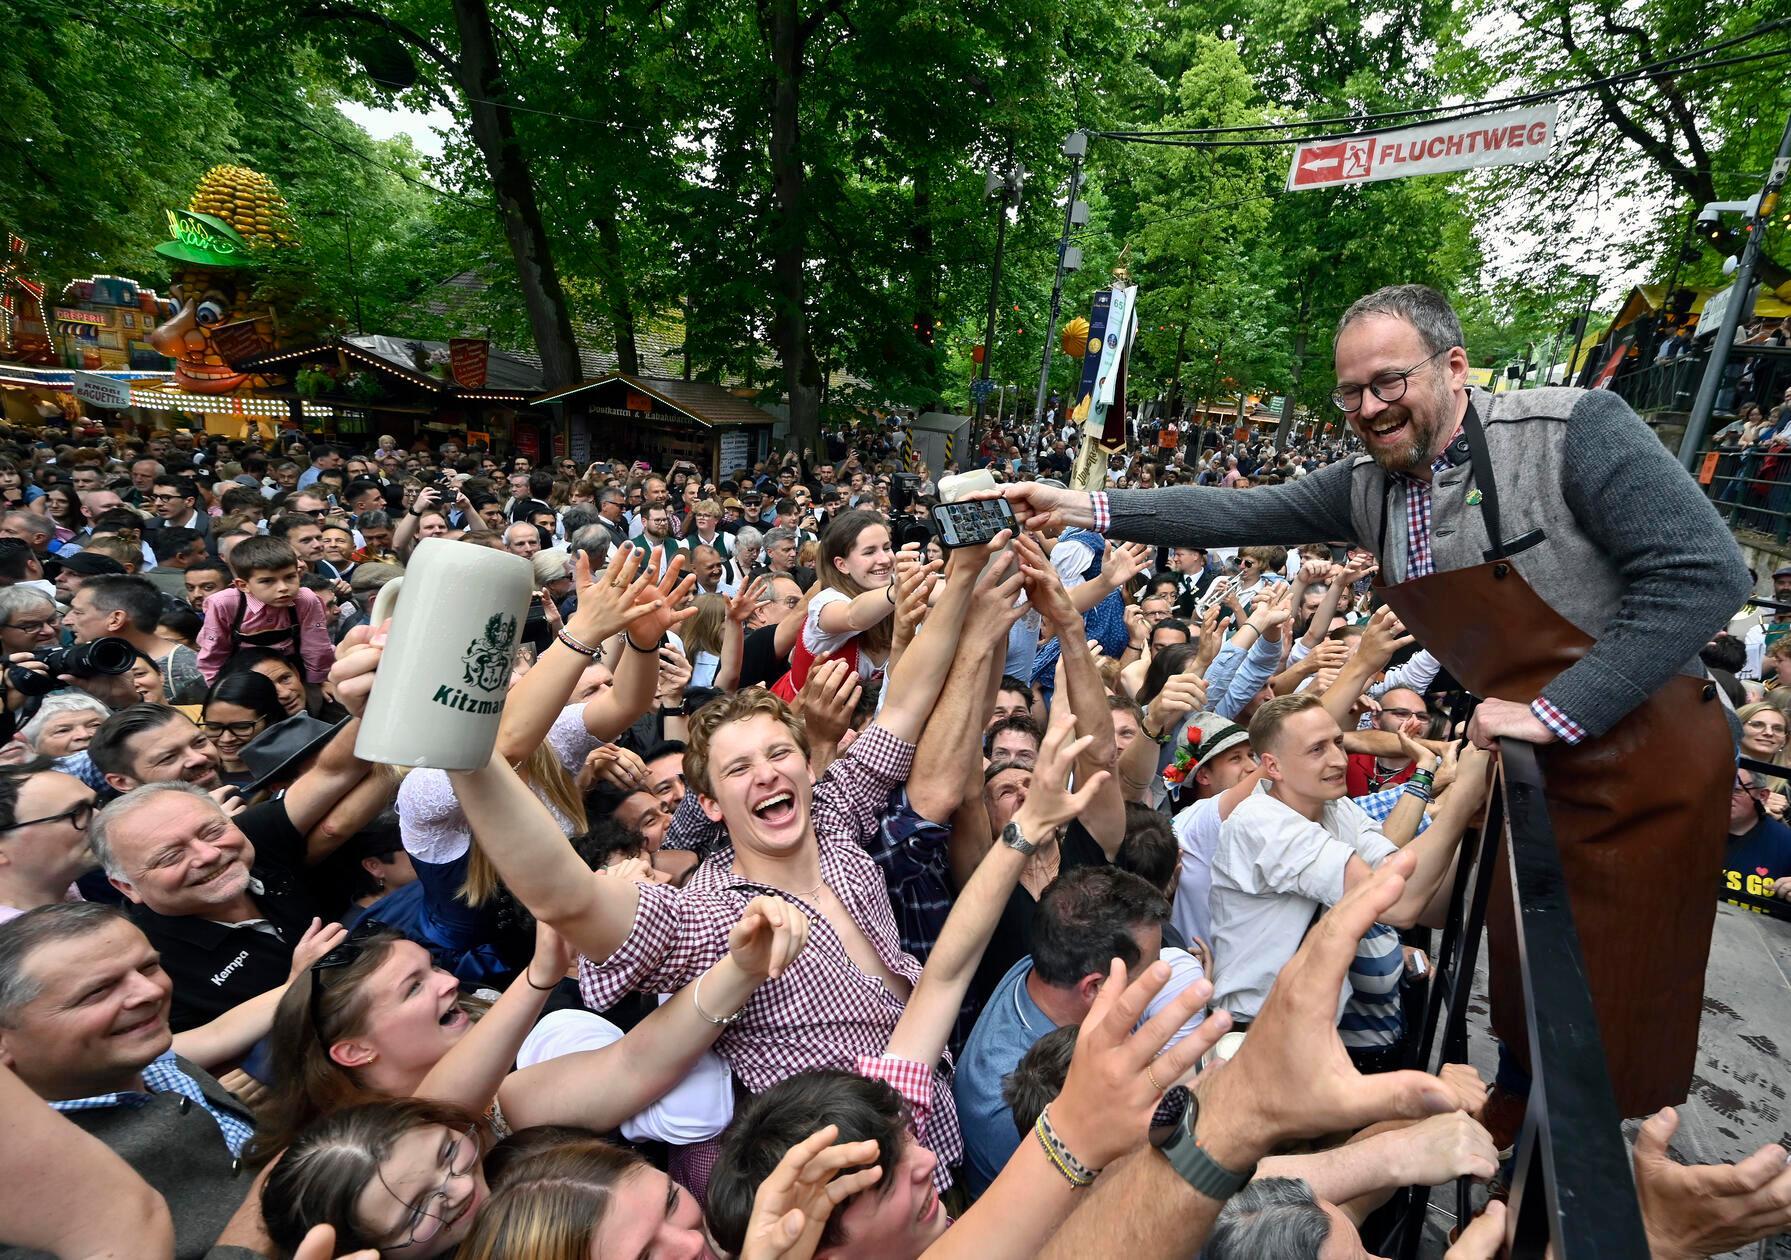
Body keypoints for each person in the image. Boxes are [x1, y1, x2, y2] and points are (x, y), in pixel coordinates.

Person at [991, 282, 1751, 1117]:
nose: (1369, 408)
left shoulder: (1573, 429)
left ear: (1454, 367)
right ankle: (1517, 1096)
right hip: (1536, 754)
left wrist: (1557, 709)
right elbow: (1232, 512)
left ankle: (1604, 1153)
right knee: (1524, 949)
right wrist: (1078, 503)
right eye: (1350, 392)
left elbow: (1707, 572)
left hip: (1646, 748)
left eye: (1388, 381)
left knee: (1622, 983)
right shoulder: (1364, 485)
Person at [771, 510, 896, 702]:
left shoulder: (893, 587)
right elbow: (852, 617)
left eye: (887, 548)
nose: (885, 559)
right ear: (842, 564)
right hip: (798, 716)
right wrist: (901, 590)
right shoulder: (827, 600)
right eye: (869, 552)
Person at [195, 536, 334, 687]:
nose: (283, 588)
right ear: (243, 585)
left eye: (289, 577)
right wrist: (217, 688)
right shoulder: (224, 604)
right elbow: (214, 652)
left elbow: (315, 646)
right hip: (243, 677)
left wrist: (316, 683)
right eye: (267, 581)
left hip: (295, 672)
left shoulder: (306, 600)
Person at [63, 574, 207, 706]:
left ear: (115, 619)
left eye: (78, 612)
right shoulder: (85, 659)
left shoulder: (189, 674)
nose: (66, 621)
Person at [199, 671, 287, 788]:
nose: (226, 739)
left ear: (269, 720)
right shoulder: (195, 775)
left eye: (241, 727)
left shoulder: (294, 774)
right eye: (214, 727)